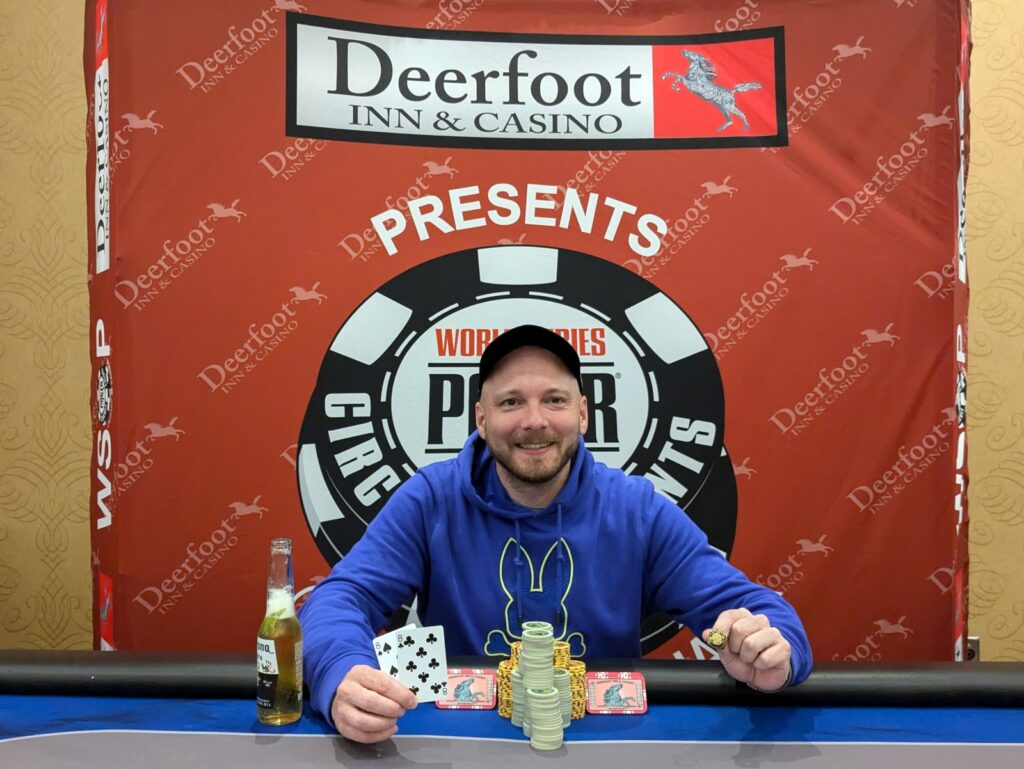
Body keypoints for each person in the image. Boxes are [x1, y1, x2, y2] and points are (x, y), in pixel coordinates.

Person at [300, 325, 812, 743]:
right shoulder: (431, 498)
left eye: (555, 400)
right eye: (509, 403)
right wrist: (339, 671)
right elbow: (341, 598)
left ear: (583, 413)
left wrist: (775, 652)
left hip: (605, 747)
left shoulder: (636, 510)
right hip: (459, 745)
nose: (534, 421)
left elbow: (759, 611)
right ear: (481, 419)